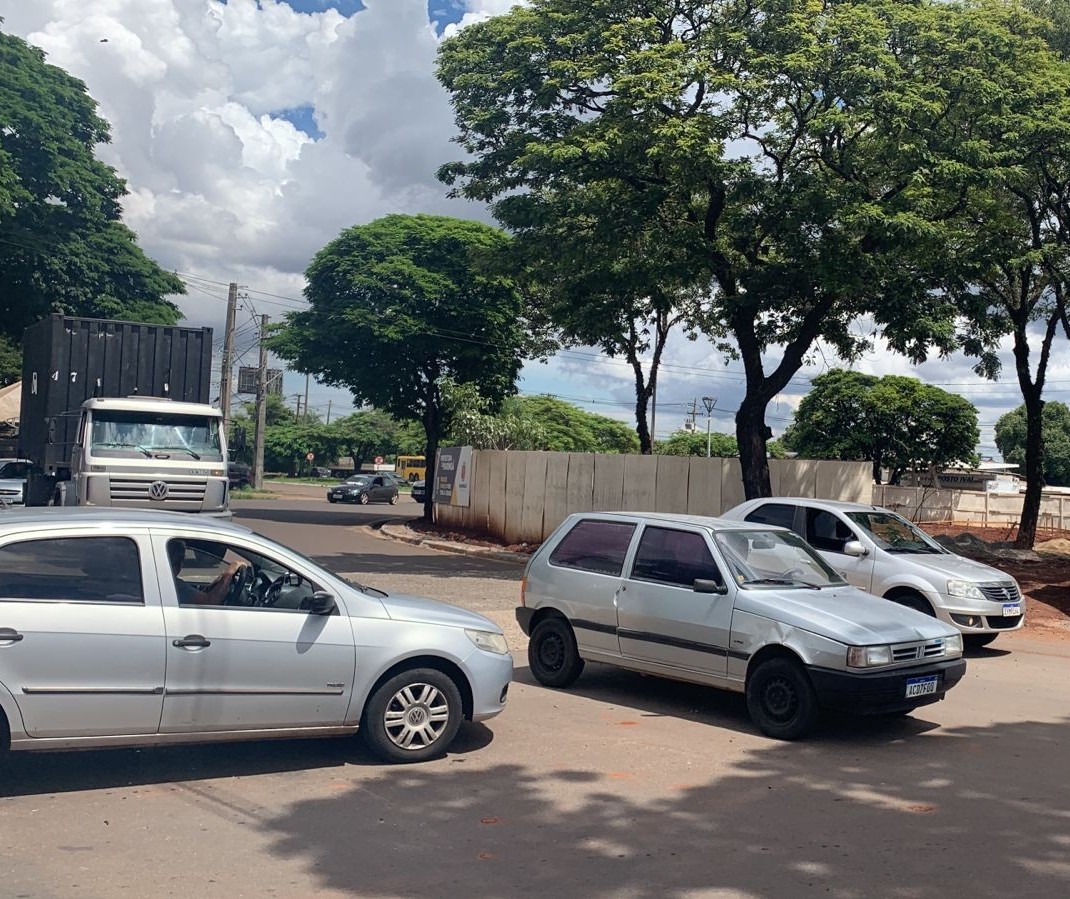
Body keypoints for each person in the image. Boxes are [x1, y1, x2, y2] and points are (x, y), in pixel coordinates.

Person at [167, 539, 249, 605]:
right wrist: (229, 573)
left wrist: (220, 581)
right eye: (181, 559)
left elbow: (200, 596)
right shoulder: (175, 587)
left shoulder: (168, 584)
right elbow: (211, 601)